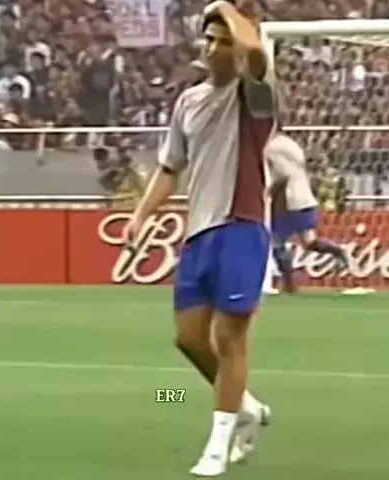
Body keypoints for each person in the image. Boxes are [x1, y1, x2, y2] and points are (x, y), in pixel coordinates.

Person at [126, 1, 274, 475]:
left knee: (230, 339)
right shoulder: (188, 102)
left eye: (223, 41)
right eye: (208, 39)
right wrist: (141, 215)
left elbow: (255, 49)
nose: (212, 48)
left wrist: (224, 6)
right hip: (200, 232)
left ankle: (218, 443)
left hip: (242, 227)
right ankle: (245, 406)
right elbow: (171, 167)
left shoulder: (254, 95)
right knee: (189, 338)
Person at [267, 132, 348, 293]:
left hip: (289, 201)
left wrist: (270, 191)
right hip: (305, 198)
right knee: (310, 242)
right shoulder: (288, 142)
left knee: (276, 242)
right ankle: (338, 251)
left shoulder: (271, 146)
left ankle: (289, 286)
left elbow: (283, 174)